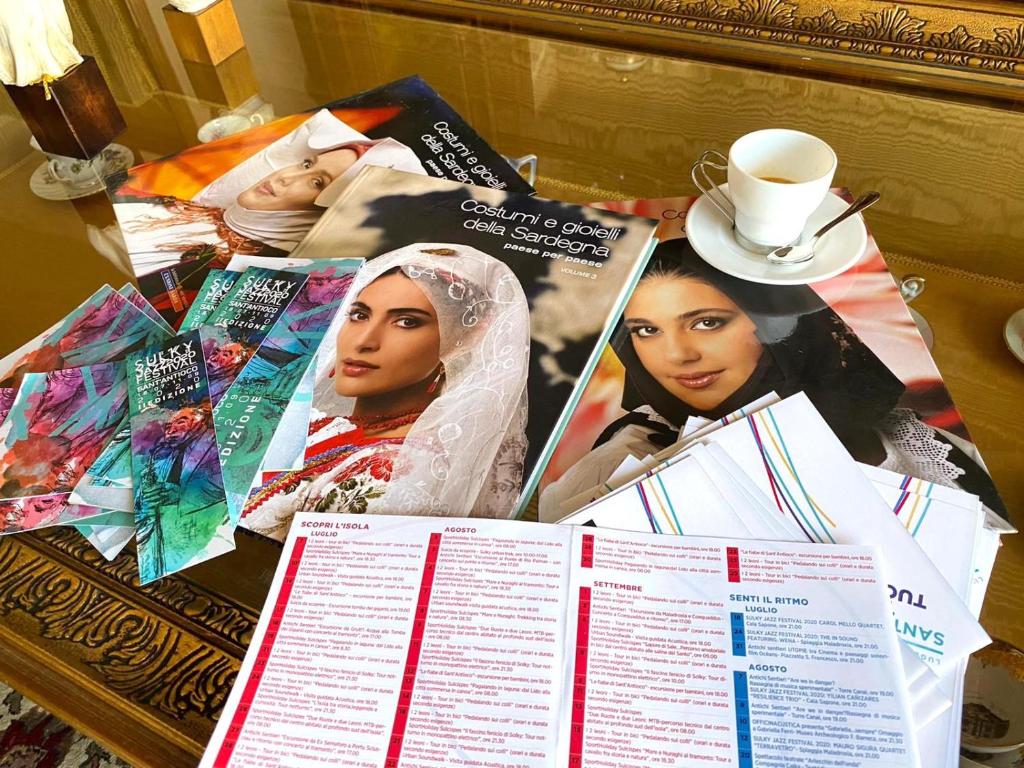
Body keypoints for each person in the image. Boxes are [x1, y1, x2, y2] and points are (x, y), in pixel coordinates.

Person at [540, 238, 1006, 519]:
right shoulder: (625, 460)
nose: (677, 355)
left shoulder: (914, 444)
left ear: (776, 329)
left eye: (707, 322)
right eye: (647, 331)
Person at [242, 243, 531, 540]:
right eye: (359, 315)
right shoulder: (321, 425)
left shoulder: (400, 471)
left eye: (407, 322)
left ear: (465, 338)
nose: (364, 341)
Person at [117, 109, 428, 275]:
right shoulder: (168, 205)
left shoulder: (251, 272)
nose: (285, 176)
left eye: (317, 183)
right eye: (306, 163)